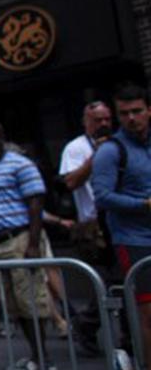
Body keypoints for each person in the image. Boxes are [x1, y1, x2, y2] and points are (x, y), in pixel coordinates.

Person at [0, 122, 56, 370]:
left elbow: (35, 205)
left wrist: (33, 244)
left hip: (20, 238)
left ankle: (41, 359)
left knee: (29, 300)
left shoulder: (20, 165)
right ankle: (34, 356)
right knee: (13, 305)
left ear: (1, 138)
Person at [93, 84, 151, 370]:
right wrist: (143, 204)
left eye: (137, 111)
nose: (131, 118)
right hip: (133, 240)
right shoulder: (110, 151)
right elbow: (102, 196)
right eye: (124, 113)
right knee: (147, 313)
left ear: (148, 111)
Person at [60, 100, 114, 268]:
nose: (103, 124)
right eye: (97, 120)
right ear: (85, 122)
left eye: (107, 119)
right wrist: (96, 154)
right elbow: (71, 183)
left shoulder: (119, 142)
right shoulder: (75, 147)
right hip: (94, 225)